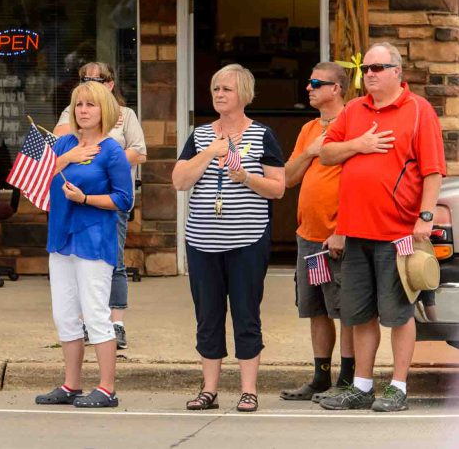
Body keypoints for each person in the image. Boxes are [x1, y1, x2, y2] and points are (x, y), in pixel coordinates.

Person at [319, 42, 445, 412]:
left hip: (400, 234)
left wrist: (424, 217)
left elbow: (433, 171)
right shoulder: (354, 111)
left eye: (378, 68)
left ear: (396, 72)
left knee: (399, 313)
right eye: (366, 69)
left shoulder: (419, 110)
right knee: (360, 313)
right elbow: (326, 153)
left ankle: (398, 386)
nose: (370, 74)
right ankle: (361, 385)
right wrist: (359, 144)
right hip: (356, 232)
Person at [172, 64, 285, 413]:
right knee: (207, 315)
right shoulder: (200, 135)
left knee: (246, 313)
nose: (219, 94)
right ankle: (209, 389)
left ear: (244, 95)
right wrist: (209, 152)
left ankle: (248, 390)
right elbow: (179, 181)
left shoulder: (263, 135)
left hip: (247, 240)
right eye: (215, 89)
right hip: (202, 241)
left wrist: (245, 177)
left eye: (227, 89)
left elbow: (278, 188)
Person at [35, 81, 132, 408]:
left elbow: (124, 199)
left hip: (94, 238)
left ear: (103, 109)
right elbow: (36, 178)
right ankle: (71, 385)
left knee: (95, 313)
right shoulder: (63, 145)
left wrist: (86, 198)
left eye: (90, 105)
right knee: (64, 314)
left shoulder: (112, 150)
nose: (84, 111)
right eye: (78, 105)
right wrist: (68, 158)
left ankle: (106, 388)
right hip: (61, 237)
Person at [53, 62, 147, 349]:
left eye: (98, 79)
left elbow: (139, 151)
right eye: (85, 79)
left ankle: (115, 322)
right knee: (72, 269)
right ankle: (83, 323)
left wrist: (103, 159)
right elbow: (58, 143)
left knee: (113, 261)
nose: (84, 108)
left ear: (110, 84)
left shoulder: (125, 115)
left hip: (103, 198)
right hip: (70, 202)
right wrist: (77, 153)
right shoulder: (73, 112)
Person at [279, 63, 355, 403]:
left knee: (348, 309)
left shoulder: (354, 126)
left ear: (336, 88)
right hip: (308, 237)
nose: (308, 88)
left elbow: (361, 183)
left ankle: (349, 377)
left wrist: (344, 229)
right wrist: (310, 151)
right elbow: (288, 177)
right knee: (317, 309)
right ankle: (320, 377)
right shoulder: (309, 128)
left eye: (315, 83)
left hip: (336, 236)